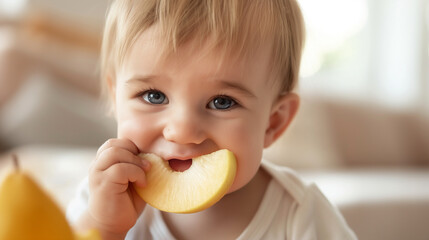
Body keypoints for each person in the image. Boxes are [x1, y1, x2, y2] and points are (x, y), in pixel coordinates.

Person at [67, 0, 357, 239]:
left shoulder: (301, 215)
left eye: (222, 102)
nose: (182, 131)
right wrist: (105, 228)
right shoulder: (103, 198)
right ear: (116, 98)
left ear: (273, 122)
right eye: (154, 96)